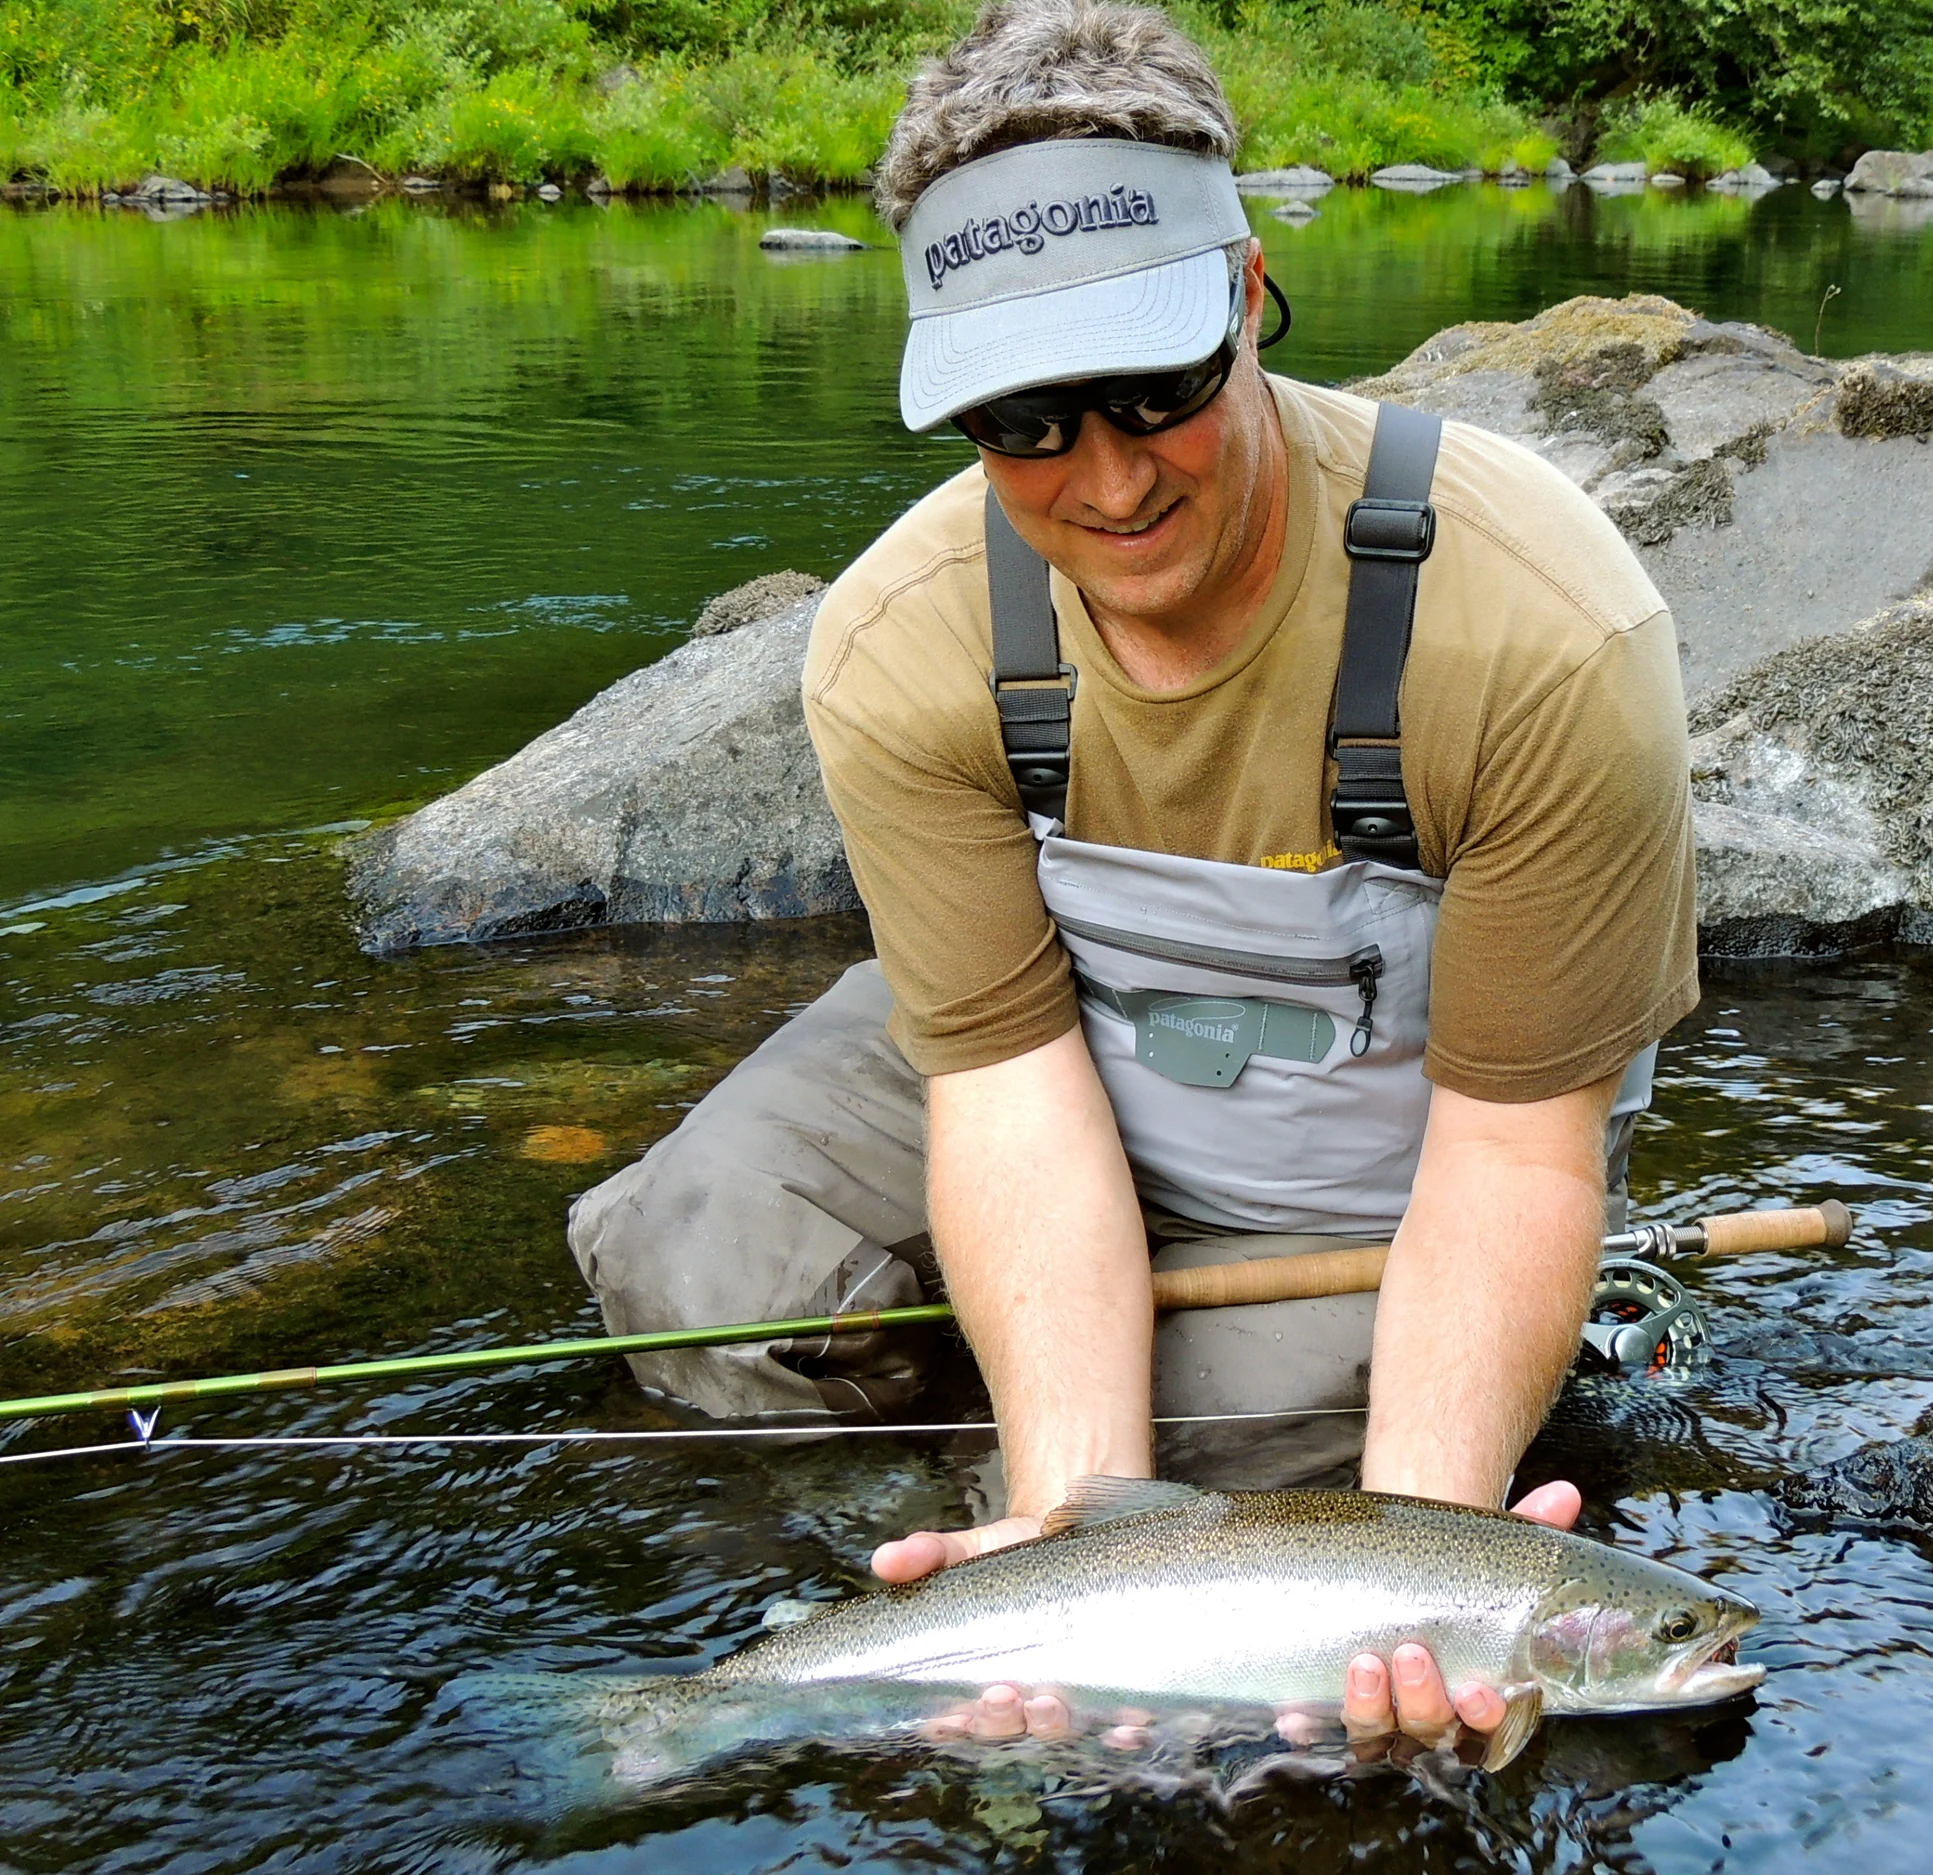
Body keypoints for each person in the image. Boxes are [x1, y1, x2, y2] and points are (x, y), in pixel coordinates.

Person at [566, 0, 1696, 1756]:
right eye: (1024, 420)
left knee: (1265, 1475)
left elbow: (1512, 1147)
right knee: (699, 1259)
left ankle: (1055, 1473)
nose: (1106, 480)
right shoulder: (898, 641)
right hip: (1064, 1050)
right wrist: (1063, 1518)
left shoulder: (1535, 626)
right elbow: (1005, 1080)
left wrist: (1419, 1569)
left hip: (1400, 1130)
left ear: (1250, 294)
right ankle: (924, 1548)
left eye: (1158, 388)